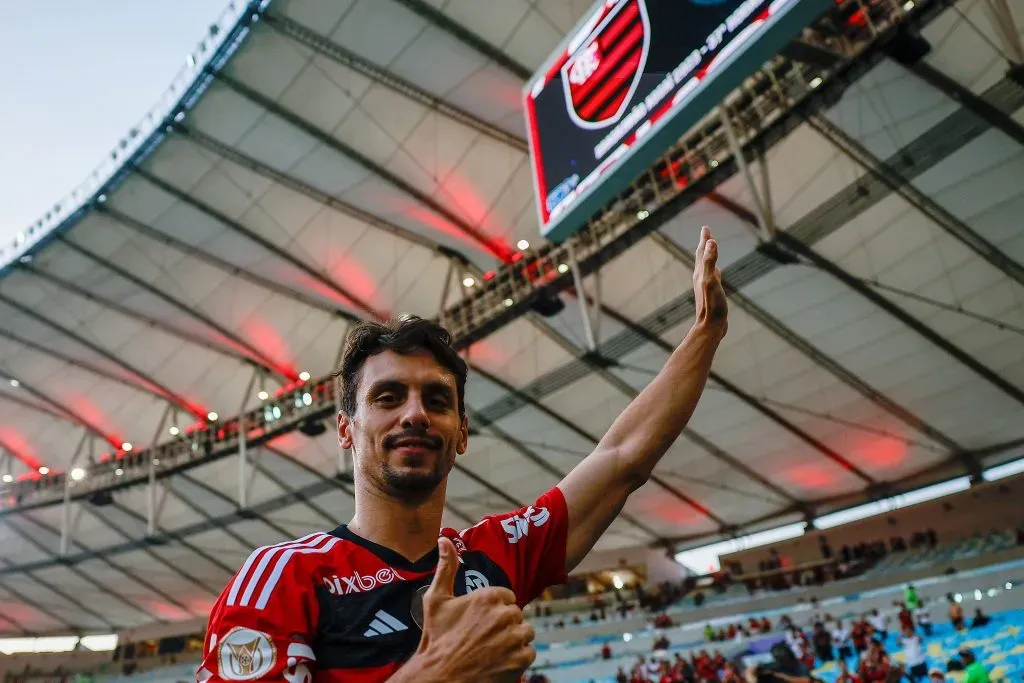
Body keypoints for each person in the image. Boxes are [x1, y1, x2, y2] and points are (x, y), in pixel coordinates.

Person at [195, 232, 729, 682]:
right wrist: (437, 672)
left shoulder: (495, 554)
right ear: (345, 431)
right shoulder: (285, 576)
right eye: (387, 397)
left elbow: (622, 459)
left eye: (437, 399)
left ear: (462, 433)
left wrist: (705, 335)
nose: (415, 414)